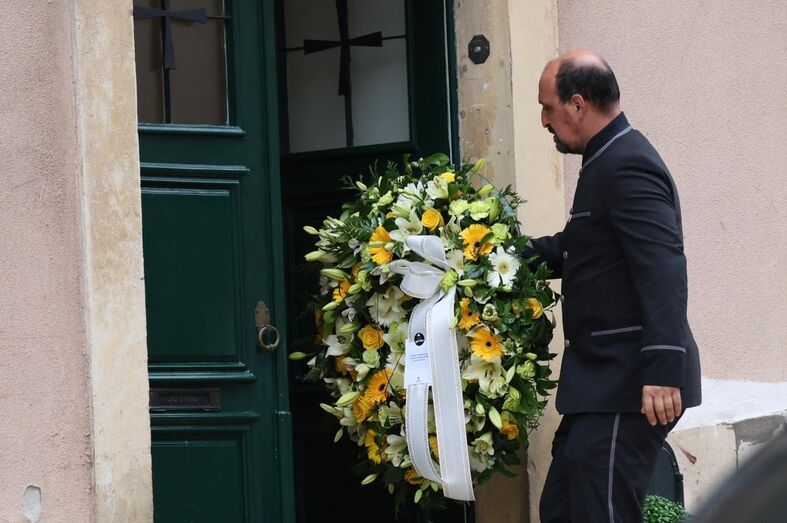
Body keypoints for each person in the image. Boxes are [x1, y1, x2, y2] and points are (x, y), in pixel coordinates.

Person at [530, 50, 702, 522]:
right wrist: (496, 255)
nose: (544, 121)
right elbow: (582, 247)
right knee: (562, 508)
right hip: (601, 386)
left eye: (547, 108)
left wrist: (664, 368)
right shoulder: (605, 159)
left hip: (629, 384)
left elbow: (662, 268)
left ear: (577, 104)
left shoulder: (626, 163)